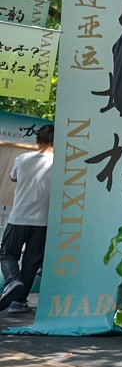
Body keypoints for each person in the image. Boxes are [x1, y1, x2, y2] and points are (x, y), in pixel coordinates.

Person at [1, 124, 54, 314]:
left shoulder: (22, 159)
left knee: (7, 254)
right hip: (43, 221)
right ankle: (19, 302)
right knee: (31, 262)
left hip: (19, 217)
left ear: (37, 140)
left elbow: (13, 177)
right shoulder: (60, 163)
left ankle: (12, 280)